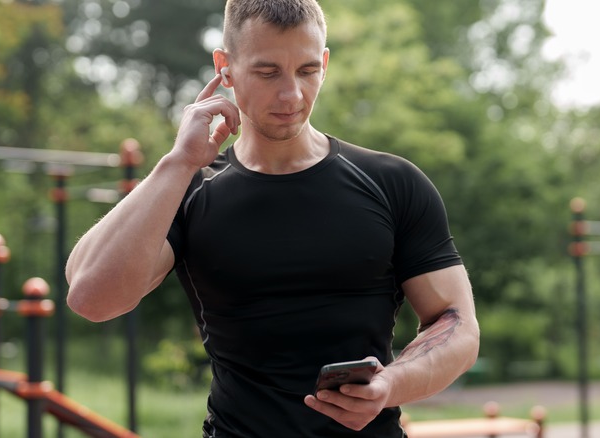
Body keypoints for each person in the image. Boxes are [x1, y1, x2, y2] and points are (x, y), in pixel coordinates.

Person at [65, 0, 480, 436]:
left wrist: (391, 384)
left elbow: (458, 325)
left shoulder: (393, 182)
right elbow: (92, 299)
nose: (291, 95)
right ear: (224, 67)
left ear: (324, 62)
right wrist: (177, 162)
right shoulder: (188, 190)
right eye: (268, 72)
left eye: (306, 71)